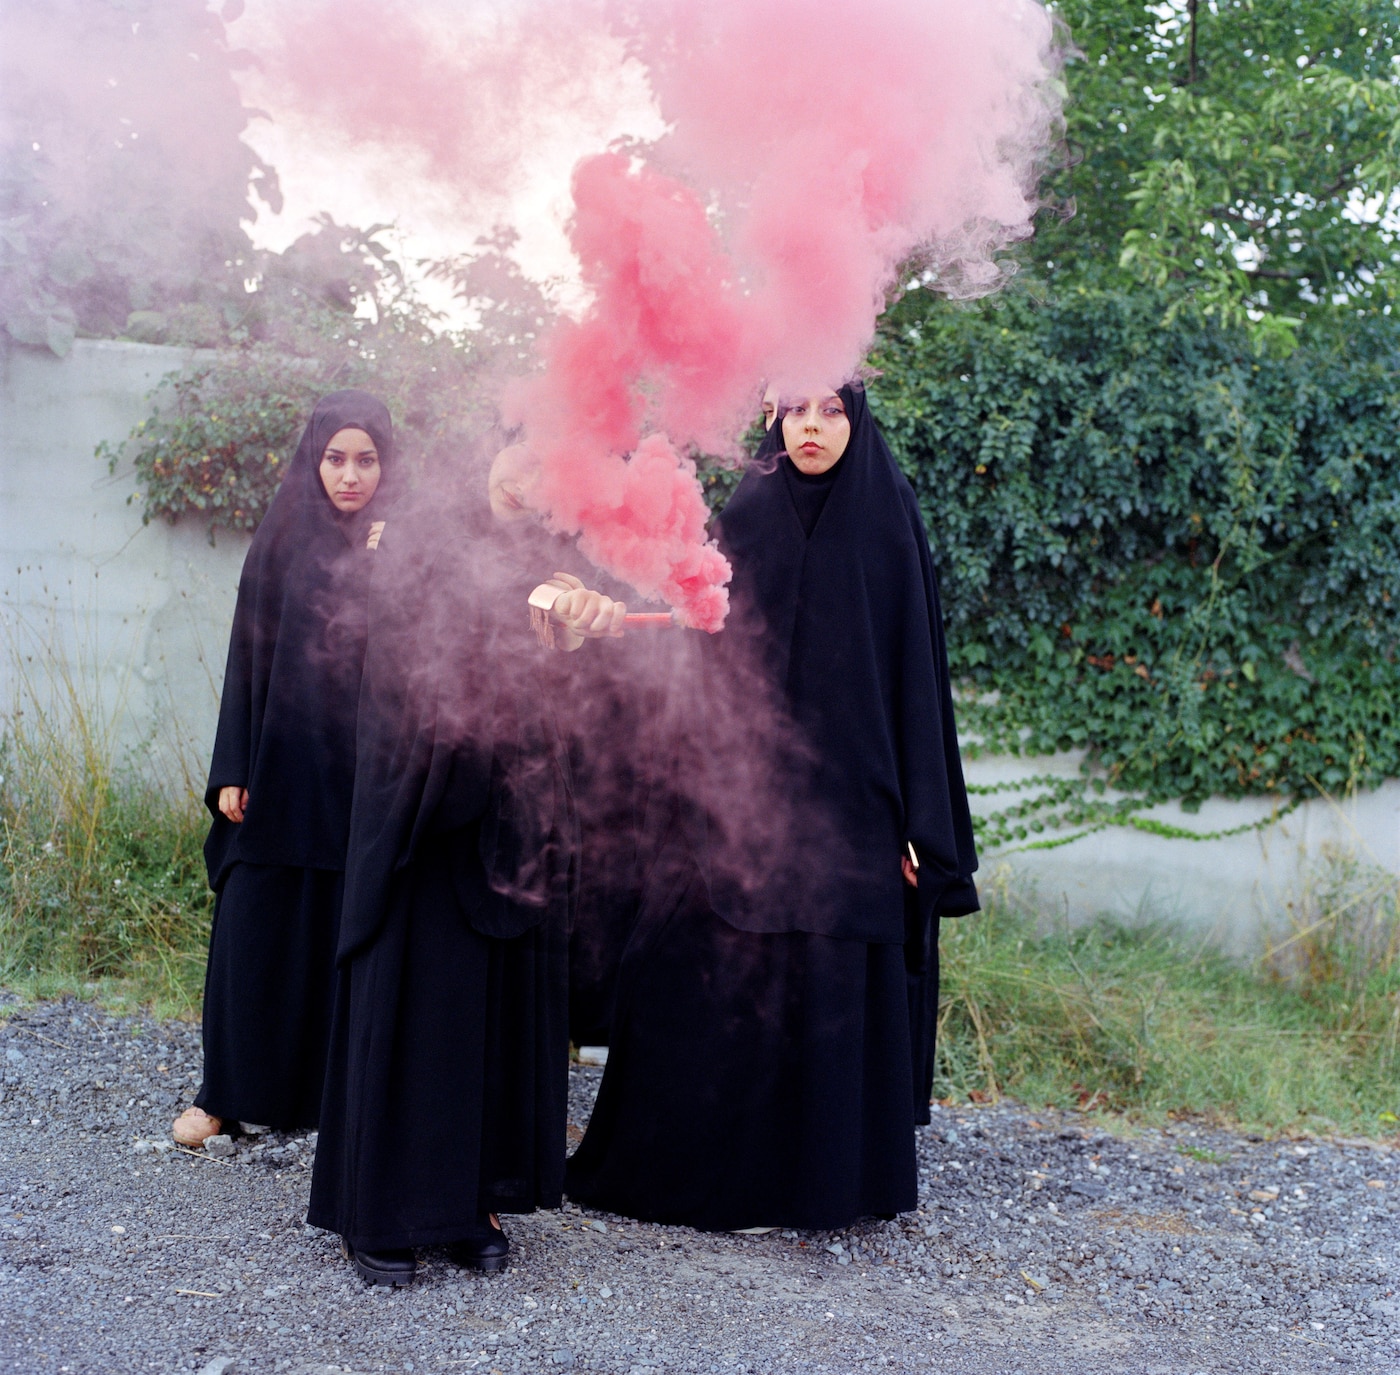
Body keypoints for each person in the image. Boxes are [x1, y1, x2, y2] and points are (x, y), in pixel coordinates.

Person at [564, 382, 978, 1231]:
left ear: (856, 419)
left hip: (848, 805)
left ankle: (819, 1186)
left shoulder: (886, 515)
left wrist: (921, 825)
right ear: (774, 421)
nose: (814, 427)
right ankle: (698, 1173)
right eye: (797, 411)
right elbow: (698, 629)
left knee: (823, 974)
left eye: (831, 410)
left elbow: (914, 670)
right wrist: (618, 631)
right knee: (690, 959)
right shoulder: (749, 508)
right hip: (733, 789)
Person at [307, 449, 626, 1286]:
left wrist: (570, 644)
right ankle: (381, 1208)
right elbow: (399, 663)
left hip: (513, 813)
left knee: (496, 1015)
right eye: (521, 448)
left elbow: (583, 696)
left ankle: (475, 1200)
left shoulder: (565, 553)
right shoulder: (423, 531)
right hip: (427, 807)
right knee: (421, 1008)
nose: (532, 473)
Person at [173, 391, 395, 1148]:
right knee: (254, 920)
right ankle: (227, 1094)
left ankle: (333, 1099)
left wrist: (388, 565)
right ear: (314, 458)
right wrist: (233, 764)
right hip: (277, 764)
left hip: (361, 771)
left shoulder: (399, 541)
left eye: (367, 459)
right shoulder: (282, 535)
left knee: (341, 925)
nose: (350, 475)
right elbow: (247, 652)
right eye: (336, 457)